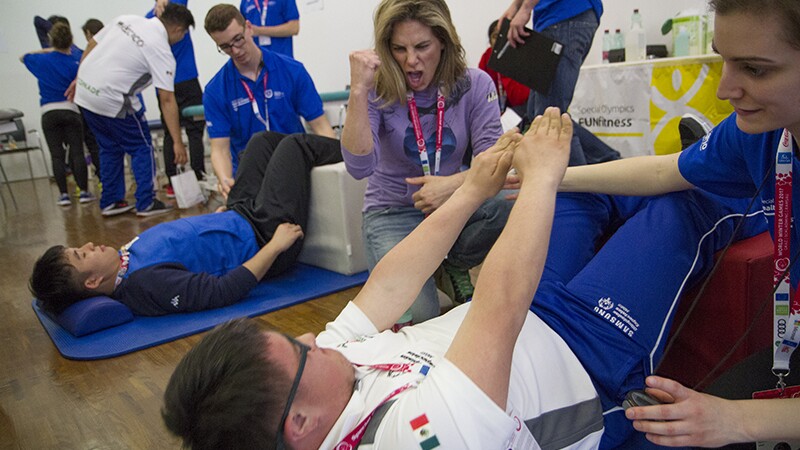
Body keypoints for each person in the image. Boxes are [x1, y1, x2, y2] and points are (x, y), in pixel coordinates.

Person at [161, 107, 769, 449]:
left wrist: (476, 187)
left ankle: (679, 169)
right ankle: (757, 190)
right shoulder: (405, 440)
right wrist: (539, 179)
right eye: (298, 353)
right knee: (678, 208)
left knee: (576, 192)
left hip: (531, 311)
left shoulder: (322, 379)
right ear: (299, 425)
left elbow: (390, 283)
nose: (311, 340)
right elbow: (499, 308)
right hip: (588, 360)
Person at [553, 0, 800, 446]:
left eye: (755, 70)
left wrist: (738, 420)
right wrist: (550, 179)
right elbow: (665, 171)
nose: (725, 88)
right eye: (723, 59)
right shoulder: (764, 134)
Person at [29, 130, 342, 317]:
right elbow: (222, 292)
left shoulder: (122, 262)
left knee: (259, 142)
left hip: (238, 216)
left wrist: (218, 218)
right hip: (265, 236)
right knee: (294, 146)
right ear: (93, 282)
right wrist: (275, 246)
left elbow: (184, 241)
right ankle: (368, 153)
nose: (87, 245)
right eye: (82, 255)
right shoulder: (144, 286)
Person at [341, 0, 512, 326]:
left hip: (454, 202)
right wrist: (359, 90)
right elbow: (359, 168)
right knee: (421, 320)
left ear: (444, 42)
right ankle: (430, 268)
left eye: (422, 47)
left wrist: (451, 186)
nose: (410, 61)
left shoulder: (475, 84)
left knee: (510, 200)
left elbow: (495, 161)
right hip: (392, 211)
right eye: (398, 49)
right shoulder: (377, 89)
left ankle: (453, 263)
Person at [67, 4, 194, 217]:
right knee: (142, 146)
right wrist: (178, 142)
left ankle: (111, 201)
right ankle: (146, 201)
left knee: (109, 147)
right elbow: (167, 99)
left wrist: (79, 77)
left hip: (85, 94)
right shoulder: (162, 50)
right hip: (112, 97)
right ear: (178, 30)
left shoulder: (126, 19)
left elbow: (92, 44)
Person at [202, 4, 335, 199]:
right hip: (251, 179)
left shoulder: (292, 71)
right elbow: (219, 149)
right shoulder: (215, 90)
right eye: (225, 47)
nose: (236, 50)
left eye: (238, 39)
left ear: (248, 27)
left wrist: (336, 170)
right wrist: (224, 179)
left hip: (296, 170)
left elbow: (321, 127)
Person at [501, 0, 602, 166]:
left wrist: (525, 8)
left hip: (564, 17)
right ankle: (608, 161)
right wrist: (516, 6)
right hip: (563, 19)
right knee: (539, 116)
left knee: (549, 120)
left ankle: (581, 187)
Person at [21, 23, 95, 206]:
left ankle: (63, 195)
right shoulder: (76, 59)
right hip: (71, 110)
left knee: (57, 155)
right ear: (70, 40)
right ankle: (84, 192)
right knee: (77, 152)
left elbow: (22, 57)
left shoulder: (41, 61)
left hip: (48, 112)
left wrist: (48, 50)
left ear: (52, 41)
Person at [146, 0, 207, 198]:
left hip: (164, 83)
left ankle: (173, 182)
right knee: (194, 131)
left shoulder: (150, 18)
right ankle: (199, 177)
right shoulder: (174, 9)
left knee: (170, 133)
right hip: (184, 80)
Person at [32, 15, 102, 179]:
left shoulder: (47, 54)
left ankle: (78, 187)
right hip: (79, 107)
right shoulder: (78, 53)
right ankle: (100, 180)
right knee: (86, 145)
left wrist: (56, 34)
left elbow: (37, 21)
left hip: (66, 108)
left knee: (71, 148)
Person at [478, 19, 530, 118]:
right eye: (495, 36)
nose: (500, 40)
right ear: (490, 41)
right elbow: (482, 92)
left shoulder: (520, 56)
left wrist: (504, 69)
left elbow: (520, 98)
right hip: (496, 107)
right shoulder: (486, 58)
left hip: (520, 108)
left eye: (504, 35)